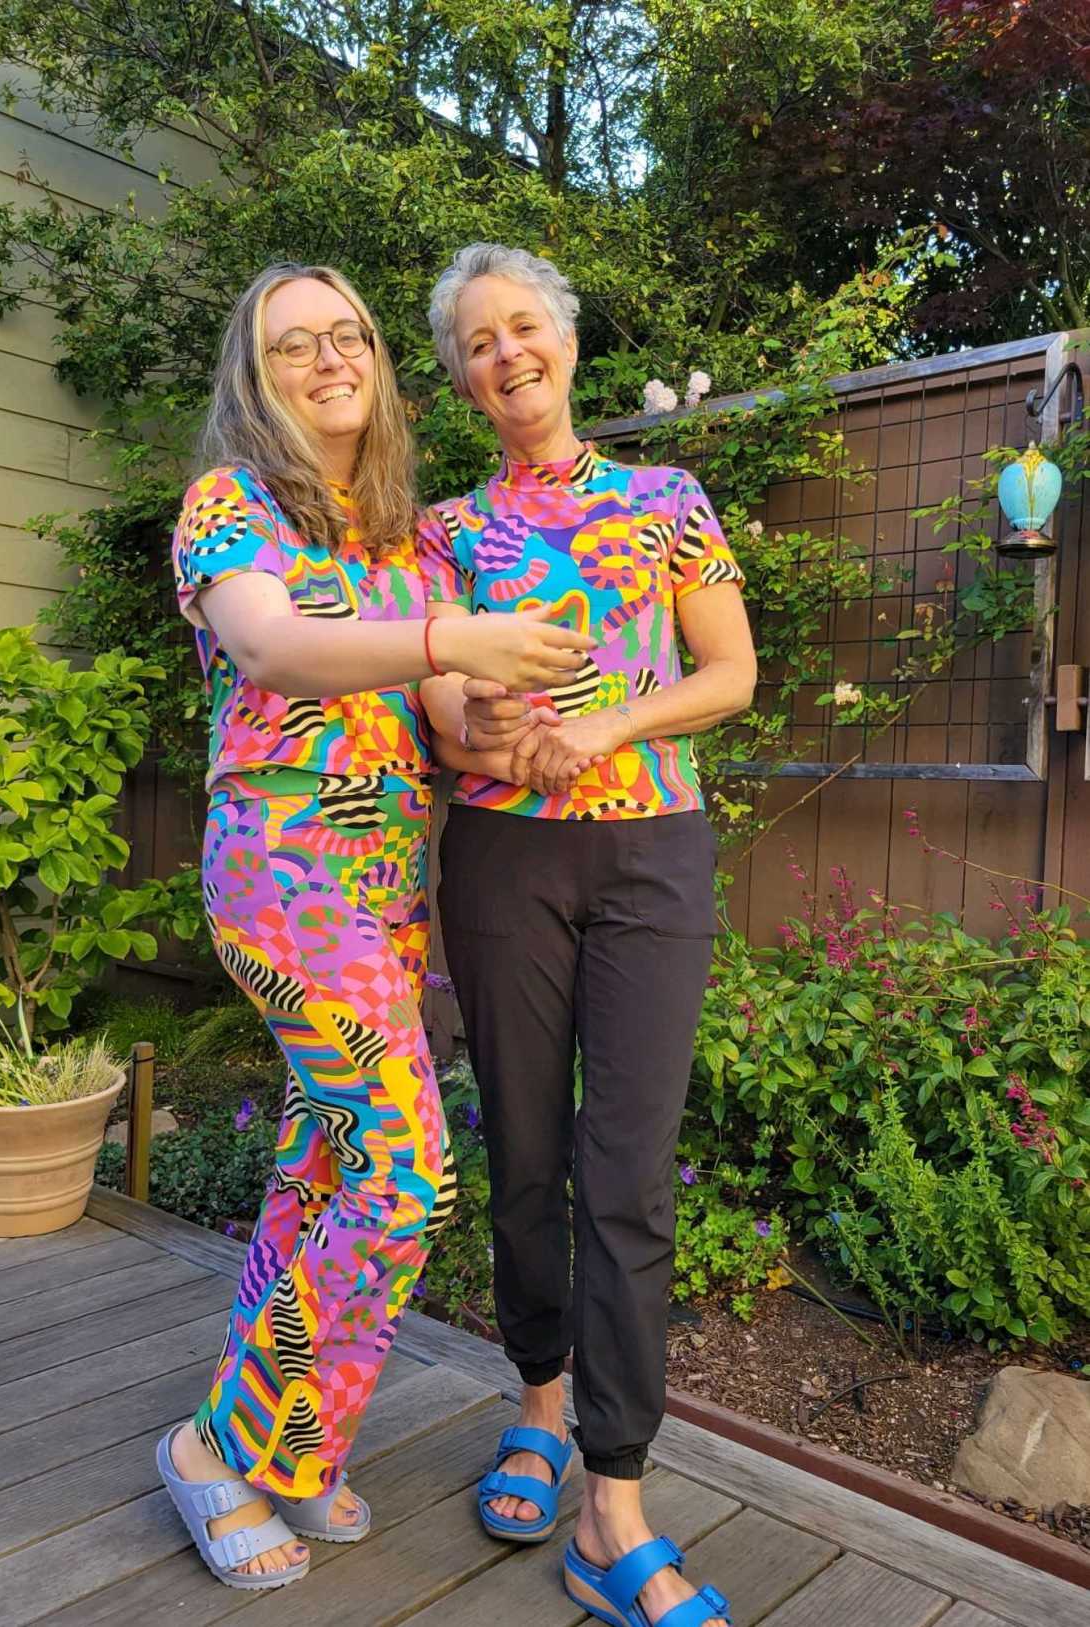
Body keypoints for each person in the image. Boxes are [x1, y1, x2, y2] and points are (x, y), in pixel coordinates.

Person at [159, 260, 596, 1591]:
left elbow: (440, 712)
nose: (330, 356)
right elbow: (281, 650)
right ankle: (224, 1449)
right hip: (285, 877)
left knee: (323, 1172)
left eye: (347, 335)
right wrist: (456, 638)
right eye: (296, 343)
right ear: (258, 373)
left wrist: (513, 711)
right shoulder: (229, 506)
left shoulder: (400, 541)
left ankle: (287, 1436)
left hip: (385, 889)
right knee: (407, 1176)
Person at [418, 243, 757, 1627]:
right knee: (527, 1157)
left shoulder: (667, 499)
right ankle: (540, 1408)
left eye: (522, 328)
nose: (506, 355)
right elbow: (432, 699)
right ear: (460, 379)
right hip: (502, 858)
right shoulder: (439, 534)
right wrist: (479, 720)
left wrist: (610, 722)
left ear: (563, 338)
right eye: (477, 345)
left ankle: (613, 1499)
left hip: (651, 852)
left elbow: (730, 671)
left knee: (627, 1175)